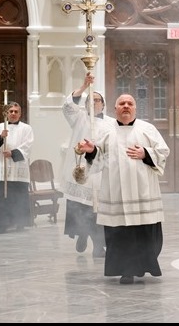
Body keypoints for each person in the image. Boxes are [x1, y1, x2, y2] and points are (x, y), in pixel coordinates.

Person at [76, 93, 170, 284]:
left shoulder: (147, 129)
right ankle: (126, 270)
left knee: (144, 232)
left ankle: (143, 266)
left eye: (130, 103)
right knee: (120, 234)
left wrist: (146, 153)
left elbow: (163, 152)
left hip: (143, 191)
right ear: (115, 108)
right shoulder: (106, 131)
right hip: (116, 192)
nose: (126, 106)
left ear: (135, 108)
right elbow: (99, 159)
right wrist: (91, 151)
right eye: (122, 103)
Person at [62, 72, 115, 258]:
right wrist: (84, 86)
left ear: (103, 104)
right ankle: (82, 233)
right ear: (85, 104)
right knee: (82, 208)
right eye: (90, 100)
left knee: (98, 211)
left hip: (100, 171)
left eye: (98, 100)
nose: (94, 102)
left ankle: (98, 245)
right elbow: (68, 106)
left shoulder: (112, 123)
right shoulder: (79, 118)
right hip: (82, 170)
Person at [0, 101, 34, 234]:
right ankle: (2, 224)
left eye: (16, 111)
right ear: (7, 113)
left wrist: (13, 153)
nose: (13, 113)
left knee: (19, 195)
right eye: (11, 111)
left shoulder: (26, 128)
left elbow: (28, 145)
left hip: (19, 168)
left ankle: (20, 222)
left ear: (20, 113)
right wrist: (1, 137)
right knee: (2, 196)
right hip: (4, 168)